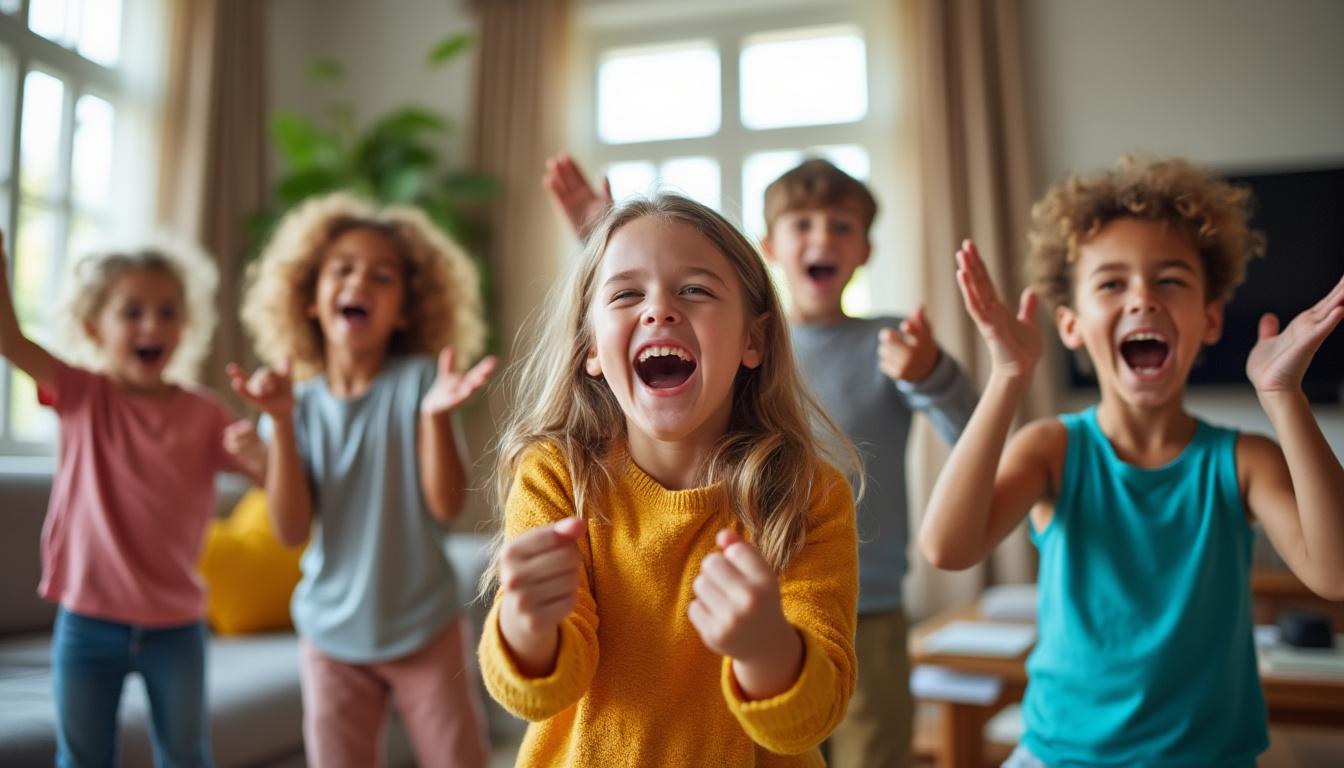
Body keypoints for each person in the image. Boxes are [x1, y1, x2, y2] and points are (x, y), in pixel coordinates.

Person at [543, 153, 978, 767]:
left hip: (869, 603)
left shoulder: (888, 344)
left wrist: (933, 375)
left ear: (865, 251)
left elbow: (974, 435)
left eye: (841, 226)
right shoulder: (725, 335)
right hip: (735, 615)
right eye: (803, 224)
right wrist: (609, 242)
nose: (822, 237)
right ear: (773, 246)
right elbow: (645, 313)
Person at [919, 155, 1344, 767]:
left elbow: (1333, 574)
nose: (1143, 298)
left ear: (1211, 318)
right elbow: (947, 548)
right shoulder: (1052, 450)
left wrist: (1283, 396)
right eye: (1112, 283)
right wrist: (1009, 375)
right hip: (1060, 754)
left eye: (1170, 279)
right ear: (1070, 325)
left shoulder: (1244, 461)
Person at [479, 194, 860, 766]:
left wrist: (768, 649)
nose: (659, 311)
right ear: (592, 350)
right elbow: (540, 696)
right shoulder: (556, 476)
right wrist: (524, 623)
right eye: (628, 294)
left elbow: (812, 715)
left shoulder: (808, 493)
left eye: (696, 290)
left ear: (752, 341)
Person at [228, 193, 493, 768]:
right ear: (310, 299)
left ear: (405, 309)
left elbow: (446, 505)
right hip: (330, 637)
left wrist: (436, 417)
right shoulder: (290, 403)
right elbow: (290, 528)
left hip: (424, 625)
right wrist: (277, 423)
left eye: (383, 276)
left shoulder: (424, 382)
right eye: (342, 269)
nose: (361, 282)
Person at [0, 232, 261, 767]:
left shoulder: (206, 413)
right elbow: (11, 339)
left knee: (187, 755)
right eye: (132, 311)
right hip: (87, 620)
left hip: (177, 627)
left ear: (186, 327)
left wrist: (259, 451)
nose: (152, 325)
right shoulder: (80, 394)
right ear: (95, 327)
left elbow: (272, 482)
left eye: (168, 312)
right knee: (83, 758)